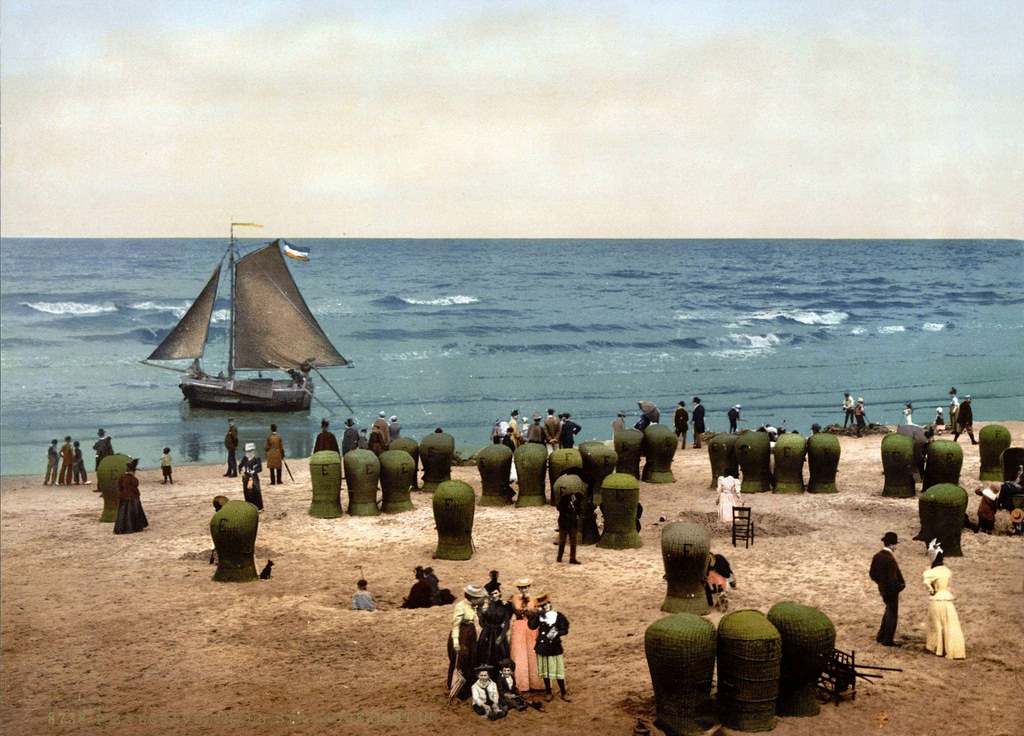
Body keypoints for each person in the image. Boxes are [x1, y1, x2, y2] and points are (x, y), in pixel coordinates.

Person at [922, 540, 965, 659]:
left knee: (937, 624)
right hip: (947, 599)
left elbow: (926, 582)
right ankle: (952, 649)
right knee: (950, 624)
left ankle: (938, 647)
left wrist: (931, 590)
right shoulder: (947, 571)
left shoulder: (930, 572)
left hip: (937, 600)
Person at [528, 592, 571, 702]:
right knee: (545, 671)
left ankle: (563, 692)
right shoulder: (540, 617)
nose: (545, 607)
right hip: (542, 647)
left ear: (550, 604)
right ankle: (548, 692)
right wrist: (535, 615)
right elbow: (532, 627)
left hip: (554, 647)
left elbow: (565, 629)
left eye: (546, 604)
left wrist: (557, 633)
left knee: (558, 670)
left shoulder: (558, 615)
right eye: (542, 606)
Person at [448, 585, 487, 701]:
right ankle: (458, 688)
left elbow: (480, 622)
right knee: (461, 659)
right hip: (461, 634)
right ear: (472, 597)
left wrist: (480, 610)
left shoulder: (474, 606)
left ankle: (467, 687)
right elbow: (455, 624)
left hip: (470, 633)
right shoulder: (461, 606)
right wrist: (455, 642)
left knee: (471, 659)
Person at [869, 531, 905, 646]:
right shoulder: (890, 560)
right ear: (892, 545)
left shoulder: (877, 556)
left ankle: (881, 636)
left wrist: (880, 583)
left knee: (888, 611)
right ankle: (887, 639)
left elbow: (872, 574)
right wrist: (899, 587)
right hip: (891, 591)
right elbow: (893, 578)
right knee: (892, 614)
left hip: (883, 589)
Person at [509, 578, 542, 692]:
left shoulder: (535, 600)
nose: (524, 589)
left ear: (529, 587)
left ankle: (536, 684)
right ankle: (522, 684)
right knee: (520, 654)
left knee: (532, 654)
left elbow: (539, 614)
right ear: (518, 588)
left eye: (526, 587)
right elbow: (514, 612)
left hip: (532, 628)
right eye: (521, 587)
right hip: (518, 627)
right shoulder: (513, 599)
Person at [477, 572, 512, 671]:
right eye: (491, 594)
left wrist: (501, 636)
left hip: (499, 634)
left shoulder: (505, 605)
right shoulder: (486, 606)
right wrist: (480, 614)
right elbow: (482, 624)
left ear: (499, 593)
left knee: (501, 655)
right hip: (487, 634)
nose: (494, 595)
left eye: (496, 593)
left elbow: (507, 622)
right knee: (485, 654)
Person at [113, 458, 148, 534]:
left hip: (123, 497)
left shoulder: (122, 478)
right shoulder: (133, 479)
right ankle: (134, 527)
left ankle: (122, 528)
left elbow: (119, 487)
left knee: (122, 514)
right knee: (133, 513)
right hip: (132, 498)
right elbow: (135, 486)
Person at [239, 442, 264, 510]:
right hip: (246, 477)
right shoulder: (245, 458)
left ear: (253, 450)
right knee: (246, 492)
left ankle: (258, 508)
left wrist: (253, 471)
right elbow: (240, 466)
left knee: (255, 492)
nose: (248, 452)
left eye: (249, 451)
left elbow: (260, 468)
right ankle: (249, 507)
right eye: (247, 451)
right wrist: (242, 472)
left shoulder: (257, 458)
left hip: (253, 477)